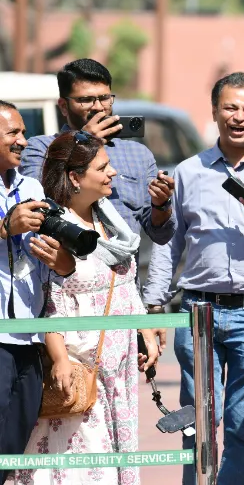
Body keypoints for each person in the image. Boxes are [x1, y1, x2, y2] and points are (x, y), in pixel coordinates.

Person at [143, 72, 244, 485]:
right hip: (197, 311)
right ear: (214, 112)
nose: (238, 117)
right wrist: (155, 307)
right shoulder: (188, 171)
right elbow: (169, 244)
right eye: (230, 107)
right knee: (200, 421)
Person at [10, 130, 159, 485]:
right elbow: (44, 302)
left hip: (118, 361)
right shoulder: (55, 229)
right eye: (103, 167)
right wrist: (60, 359)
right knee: (86, 466)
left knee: (118, 455)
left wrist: (146, 330)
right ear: (76, 177)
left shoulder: (110, 220)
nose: (113, 174)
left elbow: (123, 282)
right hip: (81, 362)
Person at [20, 58, 175, 352]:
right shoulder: (41, 148)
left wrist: (161, 205)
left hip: (123, 298)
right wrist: (84, 142)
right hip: (66, 298)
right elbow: (40, 206)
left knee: (124, 396)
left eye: (105, 98)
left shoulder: (137, 154)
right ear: (63, 106)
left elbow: (161, 235)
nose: (98, 107)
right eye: (86, 100)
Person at [0, 101, 75, 484]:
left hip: (29, 334)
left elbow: (60, 268)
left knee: (15, 439)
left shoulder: (31, 187)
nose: (23, 141)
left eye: (24, 132)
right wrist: (3, 228)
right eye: (13, 133)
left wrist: (61, 258)